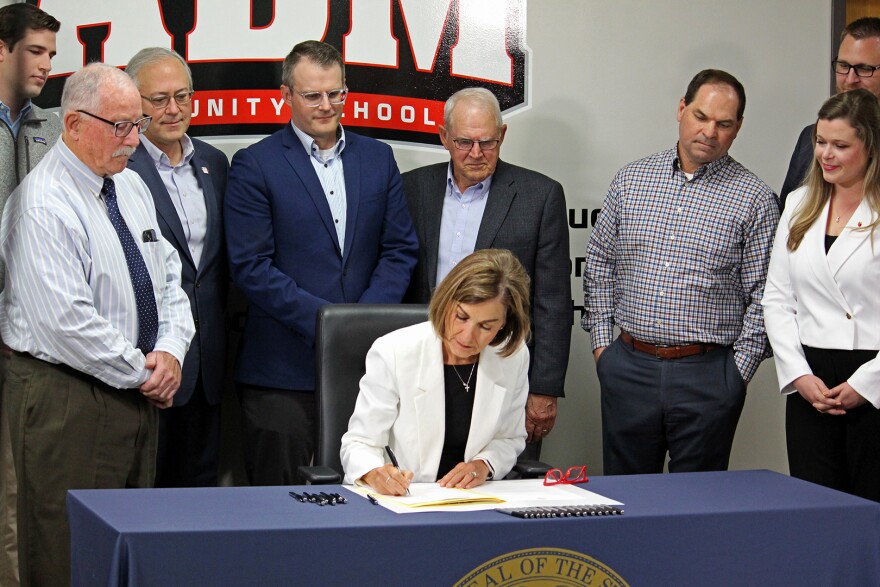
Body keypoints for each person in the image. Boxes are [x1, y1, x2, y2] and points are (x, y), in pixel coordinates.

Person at [0, 63, 194, 586]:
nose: (134, 140)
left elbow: (169, 278)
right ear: (74, 125)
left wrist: (171, 351)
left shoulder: (130, 187)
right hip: (69, 397)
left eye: (138, 124)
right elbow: (66, 323)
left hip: (135, 389)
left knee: (127, 547)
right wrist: (147, 371)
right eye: (121, 126)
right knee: (67, 552)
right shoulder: (40, 204)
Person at [225, 40, 418, 486]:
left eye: (336, 93)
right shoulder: (255, 164)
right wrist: (330, 324)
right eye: (312, 95)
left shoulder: (378, 157)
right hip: (281, 373)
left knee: (366, 499)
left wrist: (362, 323)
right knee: (280, 503)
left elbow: (400, 249)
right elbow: (252, 266)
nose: (326, 105)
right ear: (286, 96)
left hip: (367, 368)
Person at [583, 69, 779, 476]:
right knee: (626, 501)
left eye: (724, 123)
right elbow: (600, 261)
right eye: (701, 116)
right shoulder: (631, 180)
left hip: (708, 376)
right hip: (629, 367)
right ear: (680, 109)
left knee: (698, 508)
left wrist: (735, 375)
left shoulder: (755, 198)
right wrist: (605, 349)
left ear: (737, 128)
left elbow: (765, 295)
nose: (710, 131)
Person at [403, 88, 570, 458]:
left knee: (502, 482)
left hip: (503, 371)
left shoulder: (540, 196)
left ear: (503, 135)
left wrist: (543, 388)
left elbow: (553, 302)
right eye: (464, 141)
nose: (476, 153)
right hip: (423, 368)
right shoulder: (410, 188)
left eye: (487, 142)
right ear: (443, 137)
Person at [763, 89, 880, 502]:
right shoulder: (798, 203)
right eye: (821, 142)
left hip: (872, 379)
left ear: (870, 146)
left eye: (840, 145)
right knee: (816, 510)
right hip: (810, 382)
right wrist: (798, 375)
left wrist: (867, 384)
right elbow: (777, 298)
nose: (826, 155)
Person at [341, 249, 531, 494]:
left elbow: (510, 439)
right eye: (461, 317)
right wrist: (375, 474)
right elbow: (359, 443)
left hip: (477, 499)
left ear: (504, 323)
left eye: (486, 326)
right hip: (408, 500)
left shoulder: (512, 356)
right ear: (446, 302)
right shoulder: (394, 351)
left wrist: (483, 465)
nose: (467, 336)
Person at [126, 47, 229, 488]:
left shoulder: (214, 163)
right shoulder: (119, 165)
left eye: (183, 96)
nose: (174, 109)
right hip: (146, 362)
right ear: (135, 104)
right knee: (144, 489)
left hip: (207, 360)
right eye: (159, 99)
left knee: (199, 493)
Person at [0, 5, 60, 585]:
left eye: (51, 55)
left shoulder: (53, 128)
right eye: (34, 51)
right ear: (1, 49)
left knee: (21, 489)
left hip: (35, 341)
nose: (45, 65)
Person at [780, 17, 880, 209]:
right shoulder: (809, 137)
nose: (850, 79)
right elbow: (789, 214)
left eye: (864, 69)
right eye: (843, 66)